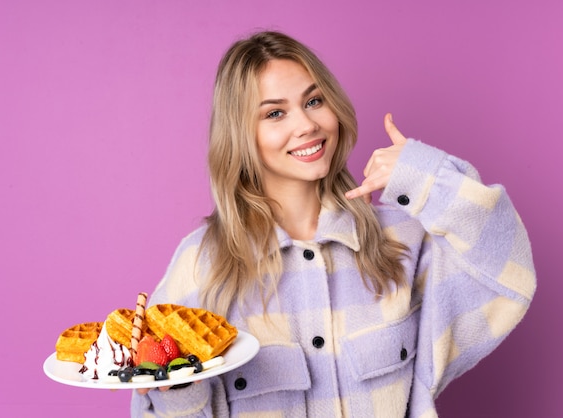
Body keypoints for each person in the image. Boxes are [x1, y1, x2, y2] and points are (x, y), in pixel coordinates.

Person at [131, 30, 536, 417]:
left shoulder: (403, 240)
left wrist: (426, 174)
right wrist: (177, 392)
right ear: (241, 136)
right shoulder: (203, 263)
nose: (306, 125)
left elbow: (507, 272)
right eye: (275, 113)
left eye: (313, 101)